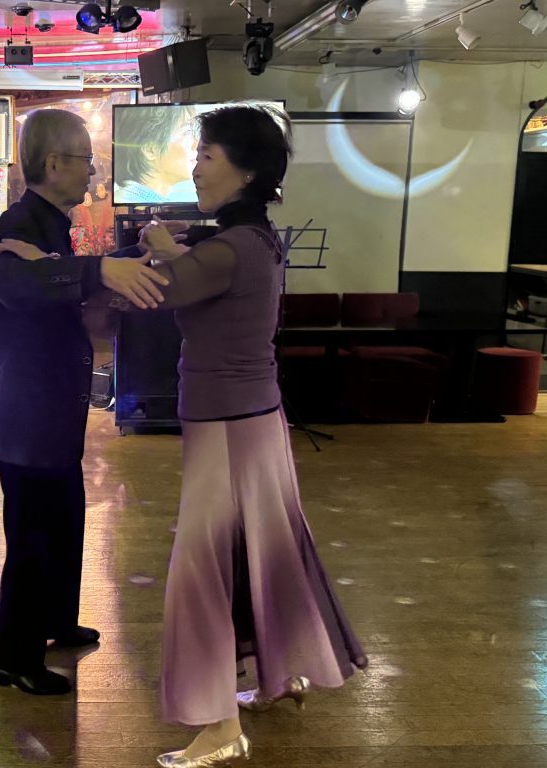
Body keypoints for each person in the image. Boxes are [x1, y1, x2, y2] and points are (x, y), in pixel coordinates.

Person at [134, 105, 369, 768]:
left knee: (202, 571)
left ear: (244, 171)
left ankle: (218, 727)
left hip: (228, 429)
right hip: (255, 421)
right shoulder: (256, 240)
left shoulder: (229, 249)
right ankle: (282, 673)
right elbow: (199, 276)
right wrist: (172, 251)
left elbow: (157, 289)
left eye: (206, 156)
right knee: (265, 554)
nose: (195, 169)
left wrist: (90, 262)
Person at [0, 108, 169, 696]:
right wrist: (96, 272)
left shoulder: (52, 227)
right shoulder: (17, 223)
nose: (93, 172)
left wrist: (113, 275)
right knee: (33, 537)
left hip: (51, 411)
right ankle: (9, 658)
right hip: (27, 416)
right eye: (87, 160)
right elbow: (19, 286)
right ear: (55, 163)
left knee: (65, 522)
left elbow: (59, 290)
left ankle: (56, 622)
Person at [113, 105, 198, 204]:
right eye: (187, 132)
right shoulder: (127, 202)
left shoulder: (145, 200)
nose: (197, 144)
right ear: (150, 150)